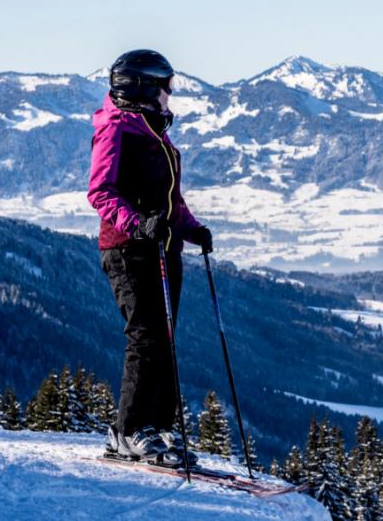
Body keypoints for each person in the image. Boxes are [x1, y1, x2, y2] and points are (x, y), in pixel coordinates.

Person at [88, 49, 212, 465]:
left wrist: (192, 229)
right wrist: (138, 223)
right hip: (129, 250)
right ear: (142, 87)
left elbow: (169, 198)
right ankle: (127, 432)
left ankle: (157, 428)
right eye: (166, 86)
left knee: (165, 339)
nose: (169, 95)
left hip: (163, 246)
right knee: (145, 338)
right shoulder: (117, 129)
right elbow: (101, 192)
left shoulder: (151, 128)